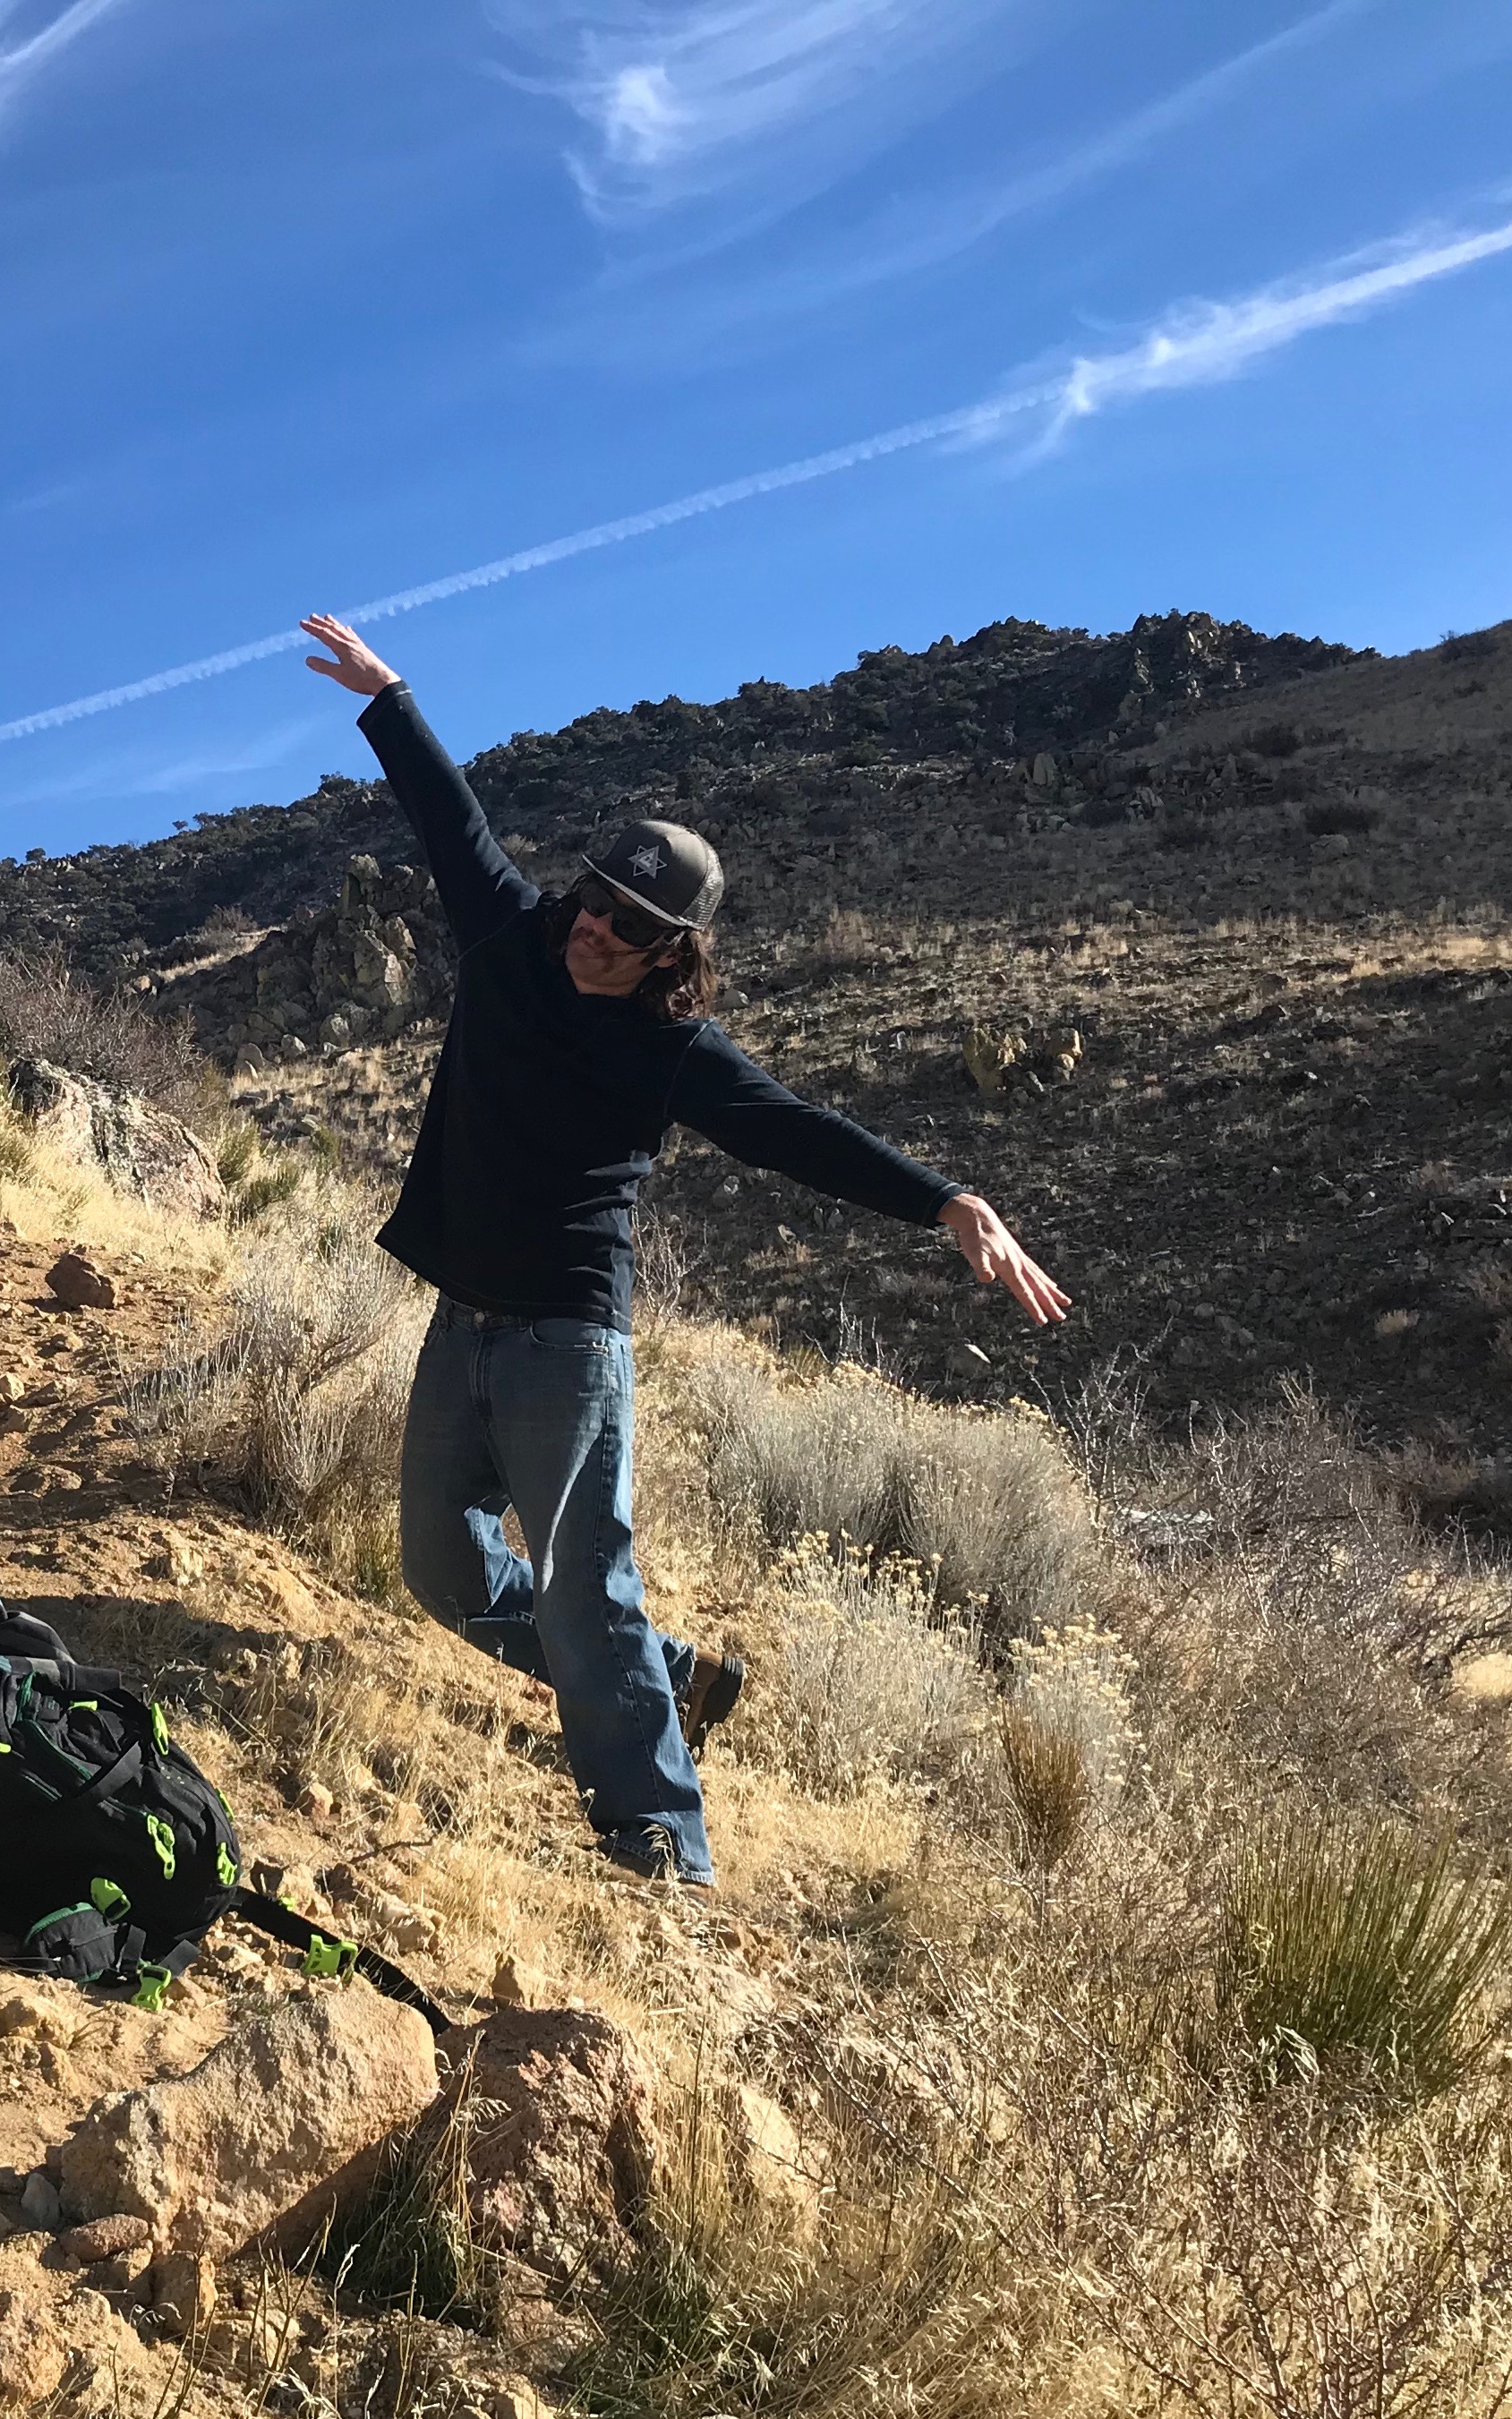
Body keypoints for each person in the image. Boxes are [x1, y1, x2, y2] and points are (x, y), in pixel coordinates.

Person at [298, 613, 1068, 1890]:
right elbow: (449, 819)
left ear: (672, 949)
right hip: (461, 1319)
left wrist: (948, 1202)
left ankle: (661, 1843)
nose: (593, 925)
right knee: (439, 1567)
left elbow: (796, 1133)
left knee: (583, 1590)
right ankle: (671, 1680)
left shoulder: (672, 1051)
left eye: (627, 920)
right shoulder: (509, 935)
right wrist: (389, 700)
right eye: (594, 897)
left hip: (564, 1344)